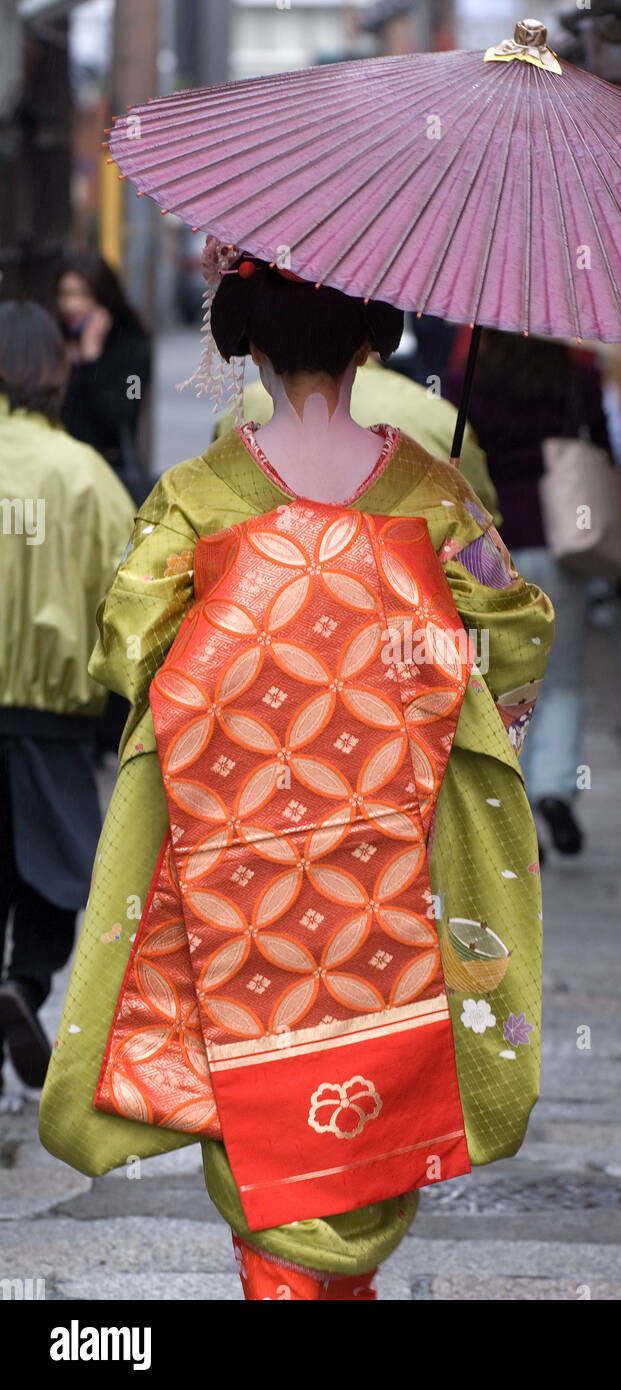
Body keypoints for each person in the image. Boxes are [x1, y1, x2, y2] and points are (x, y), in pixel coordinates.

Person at [39, 246, 554, 1301]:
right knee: (382, 1074)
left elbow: (126, 645)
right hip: (388, 861)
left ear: (246, 340)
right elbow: (515, 633)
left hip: (240, 864)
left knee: (251, 1094)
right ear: (374, 335)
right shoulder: (433, 489)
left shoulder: (199, 495)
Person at [0, 302, 134, 1091]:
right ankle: (23, 984)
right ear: (54, 370)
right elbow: (127, 601)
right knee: (53, 867)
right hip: (54, 712)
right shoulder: (89, 477)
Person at [451, 328, 613, 861]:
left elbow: (456, 459)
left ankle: (514, 809)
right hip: (560, 537)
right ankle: (555, 789)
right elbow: (603, 449)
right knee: (562, 680)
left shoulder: (469, 375)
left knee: (501, 684)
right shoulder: (577, 373)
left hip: (490, 549)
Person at [215, 353, 502, 524]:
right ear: (366, 346)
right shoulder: (439, 415)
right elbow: (483, 517)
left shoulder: (241, 411)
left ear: (256, 350)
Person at [56, 252, 152, 505]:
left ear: (103, 296)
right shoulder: (56, 341)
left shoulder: (134, 347)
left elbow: (124, 412)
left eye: (83, 294)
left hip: (108, 478)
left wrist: (91, 358)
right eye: (65, 294)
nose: (71, 305)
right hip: (58, 474)